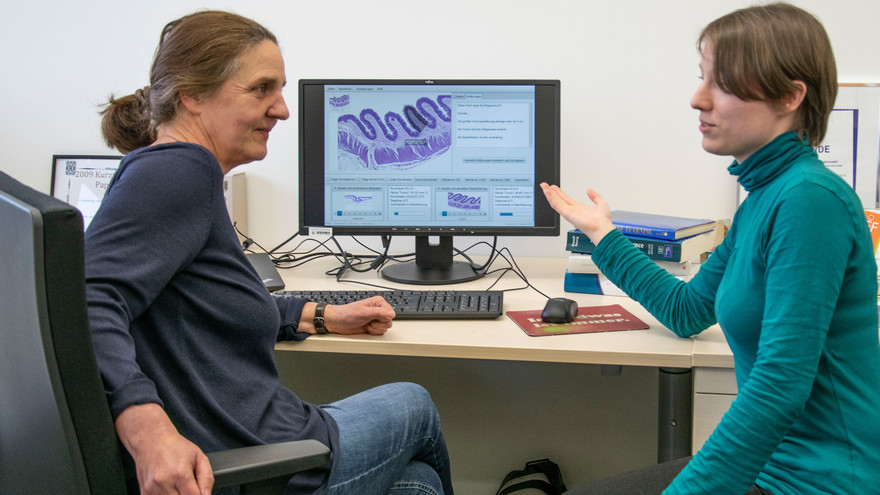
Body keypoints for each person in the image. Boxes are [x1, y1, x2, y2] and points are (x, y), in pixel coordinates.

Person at [88, 10, 453, 495]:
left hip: (242, 441)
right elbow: (88, 296)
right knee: (415, 402)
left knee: (417, 485)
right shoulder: (180, 172)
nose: (282, 109)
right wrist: (147, 432)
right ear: (192, 95)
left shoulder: (170, 170)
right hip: (246, 456)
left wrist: (320, 315)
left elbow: (209, 306)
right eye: (262, 88)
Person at [543, 3, 880, 494]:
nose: (698, 100)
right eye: (702, 79)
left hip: (819, 482)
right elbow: (687, 310)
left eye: (720, 83)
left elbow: (778, 388)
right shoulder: (767, 196)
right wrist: (604, 236)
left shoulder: (810, 201)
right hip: (775, 469)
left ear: (790, 96)